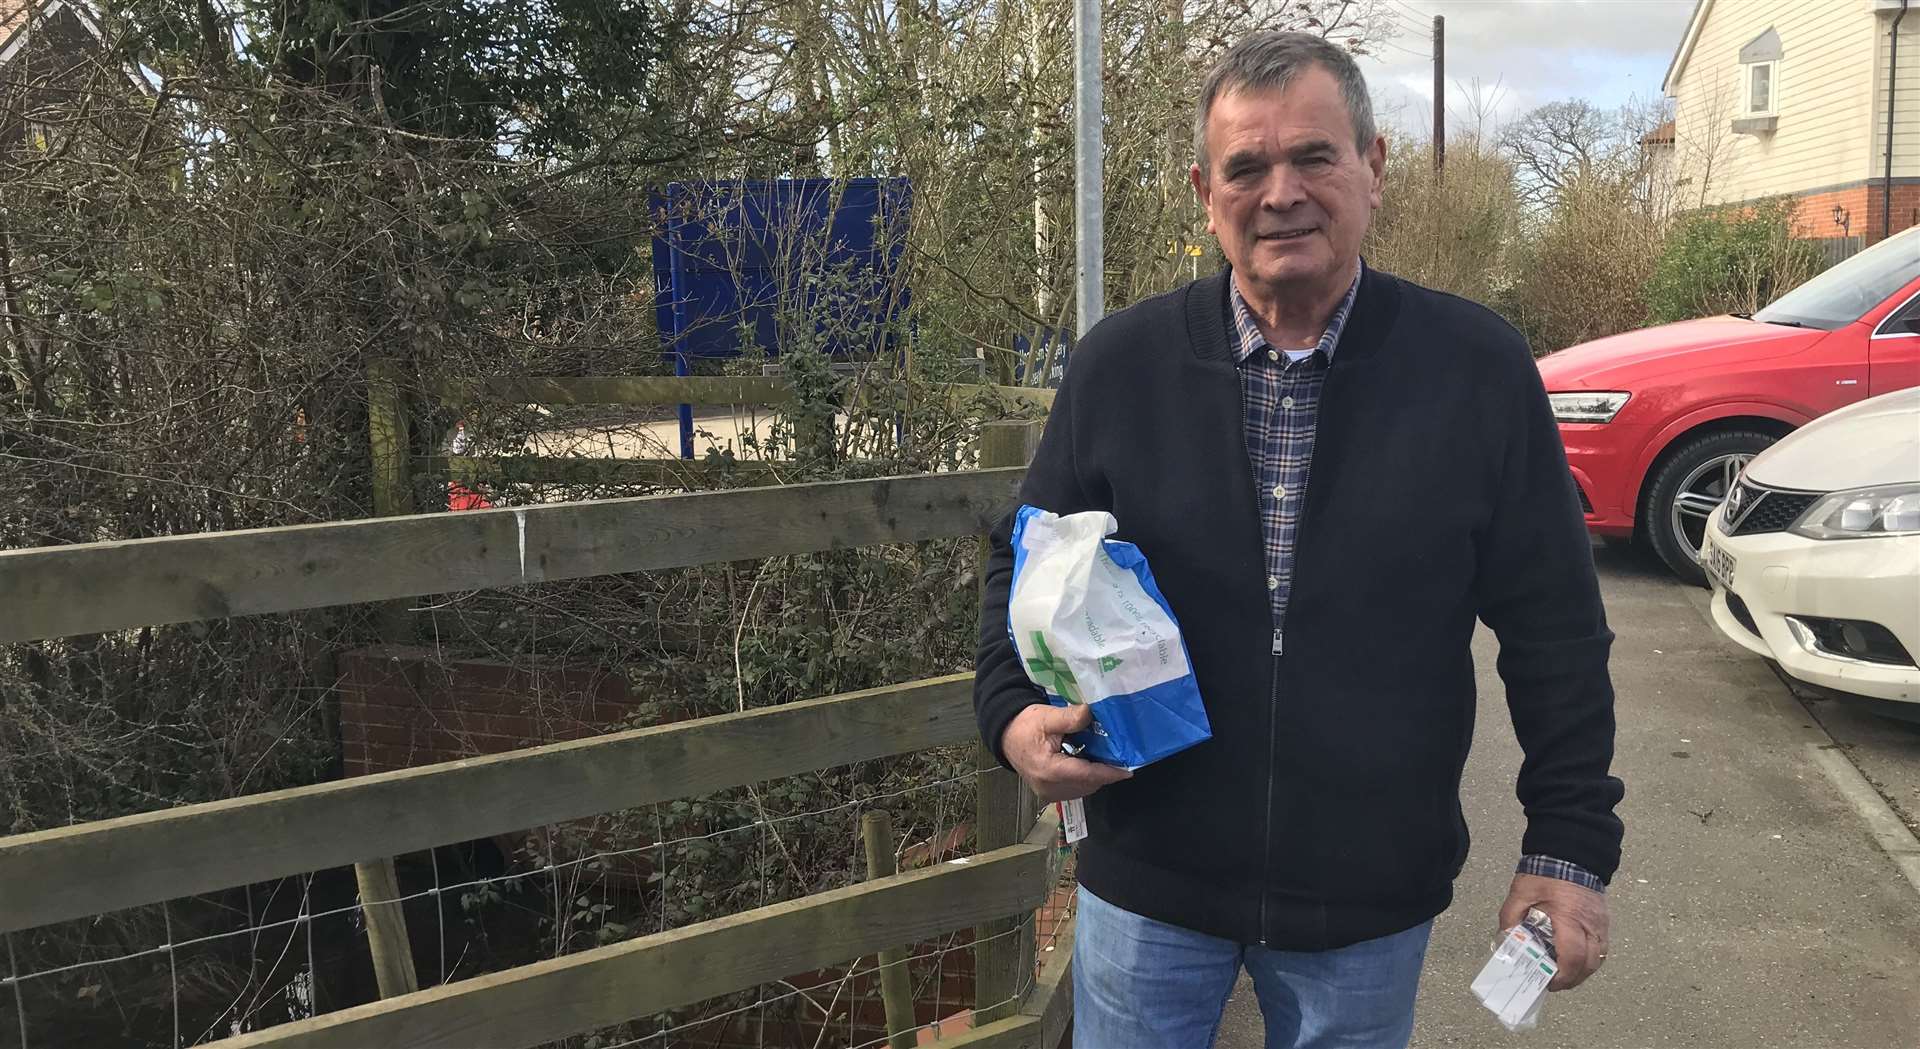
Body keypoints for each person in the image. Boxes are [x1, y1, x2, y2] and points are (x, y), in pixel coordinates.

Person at [973, 31, 1624, 1049]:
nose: (1281, 192)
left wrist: (1569, 848)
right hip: (1148, 887)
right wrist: (1013, 718)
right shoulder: (1120, 367)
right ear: (1205, 190)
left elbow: (1559, 637)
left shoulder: (1477, 372)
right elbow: (1019, 577)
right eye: (1246, 167)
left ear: (1373, 165)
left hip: (1364, 907)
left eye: (1314, 156)